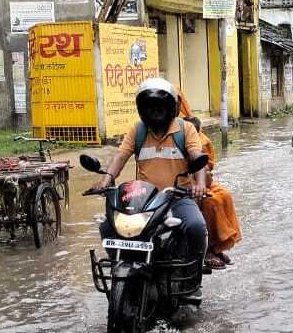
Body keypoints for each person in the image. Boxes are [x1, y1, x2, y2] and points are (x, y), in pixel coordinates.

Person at [88, 78, 209, 263]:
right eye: (150, 106)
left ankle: (193, 273)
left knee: (196, 226)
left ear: (171, 107)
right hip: (143, 201)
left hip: (177, 198)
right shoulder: (138, 130)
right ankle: (118, 264)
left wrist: (199, 185)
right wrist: (106, 179)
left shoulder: (186, 129)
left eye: (160, 106)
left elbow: (196, 155)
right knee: (108, 226)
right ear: (142, 109)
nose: (155, 111)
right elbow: (120, 156)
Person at [177, 94, 241, 270]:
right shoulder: (146, 132)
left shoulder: (196, 138)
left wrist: (201, 181)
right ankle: (204, 251)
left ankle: (215, 246)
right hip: (174, 187)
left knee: (224, 195)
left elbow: (203, 167)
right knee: (211, 203)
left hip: (194, 182)